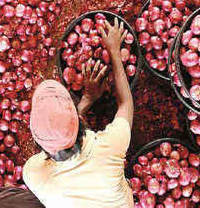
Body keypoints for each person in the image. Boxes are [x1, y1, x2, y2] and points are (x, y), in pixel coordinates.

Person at [21, 18, 136, 207]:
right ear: (79, 120)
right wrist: (114, 51)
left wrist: (87, 99)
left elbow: (63, 143)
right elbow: (125, 104)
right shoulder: (109, 147)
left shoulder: (33, 174)